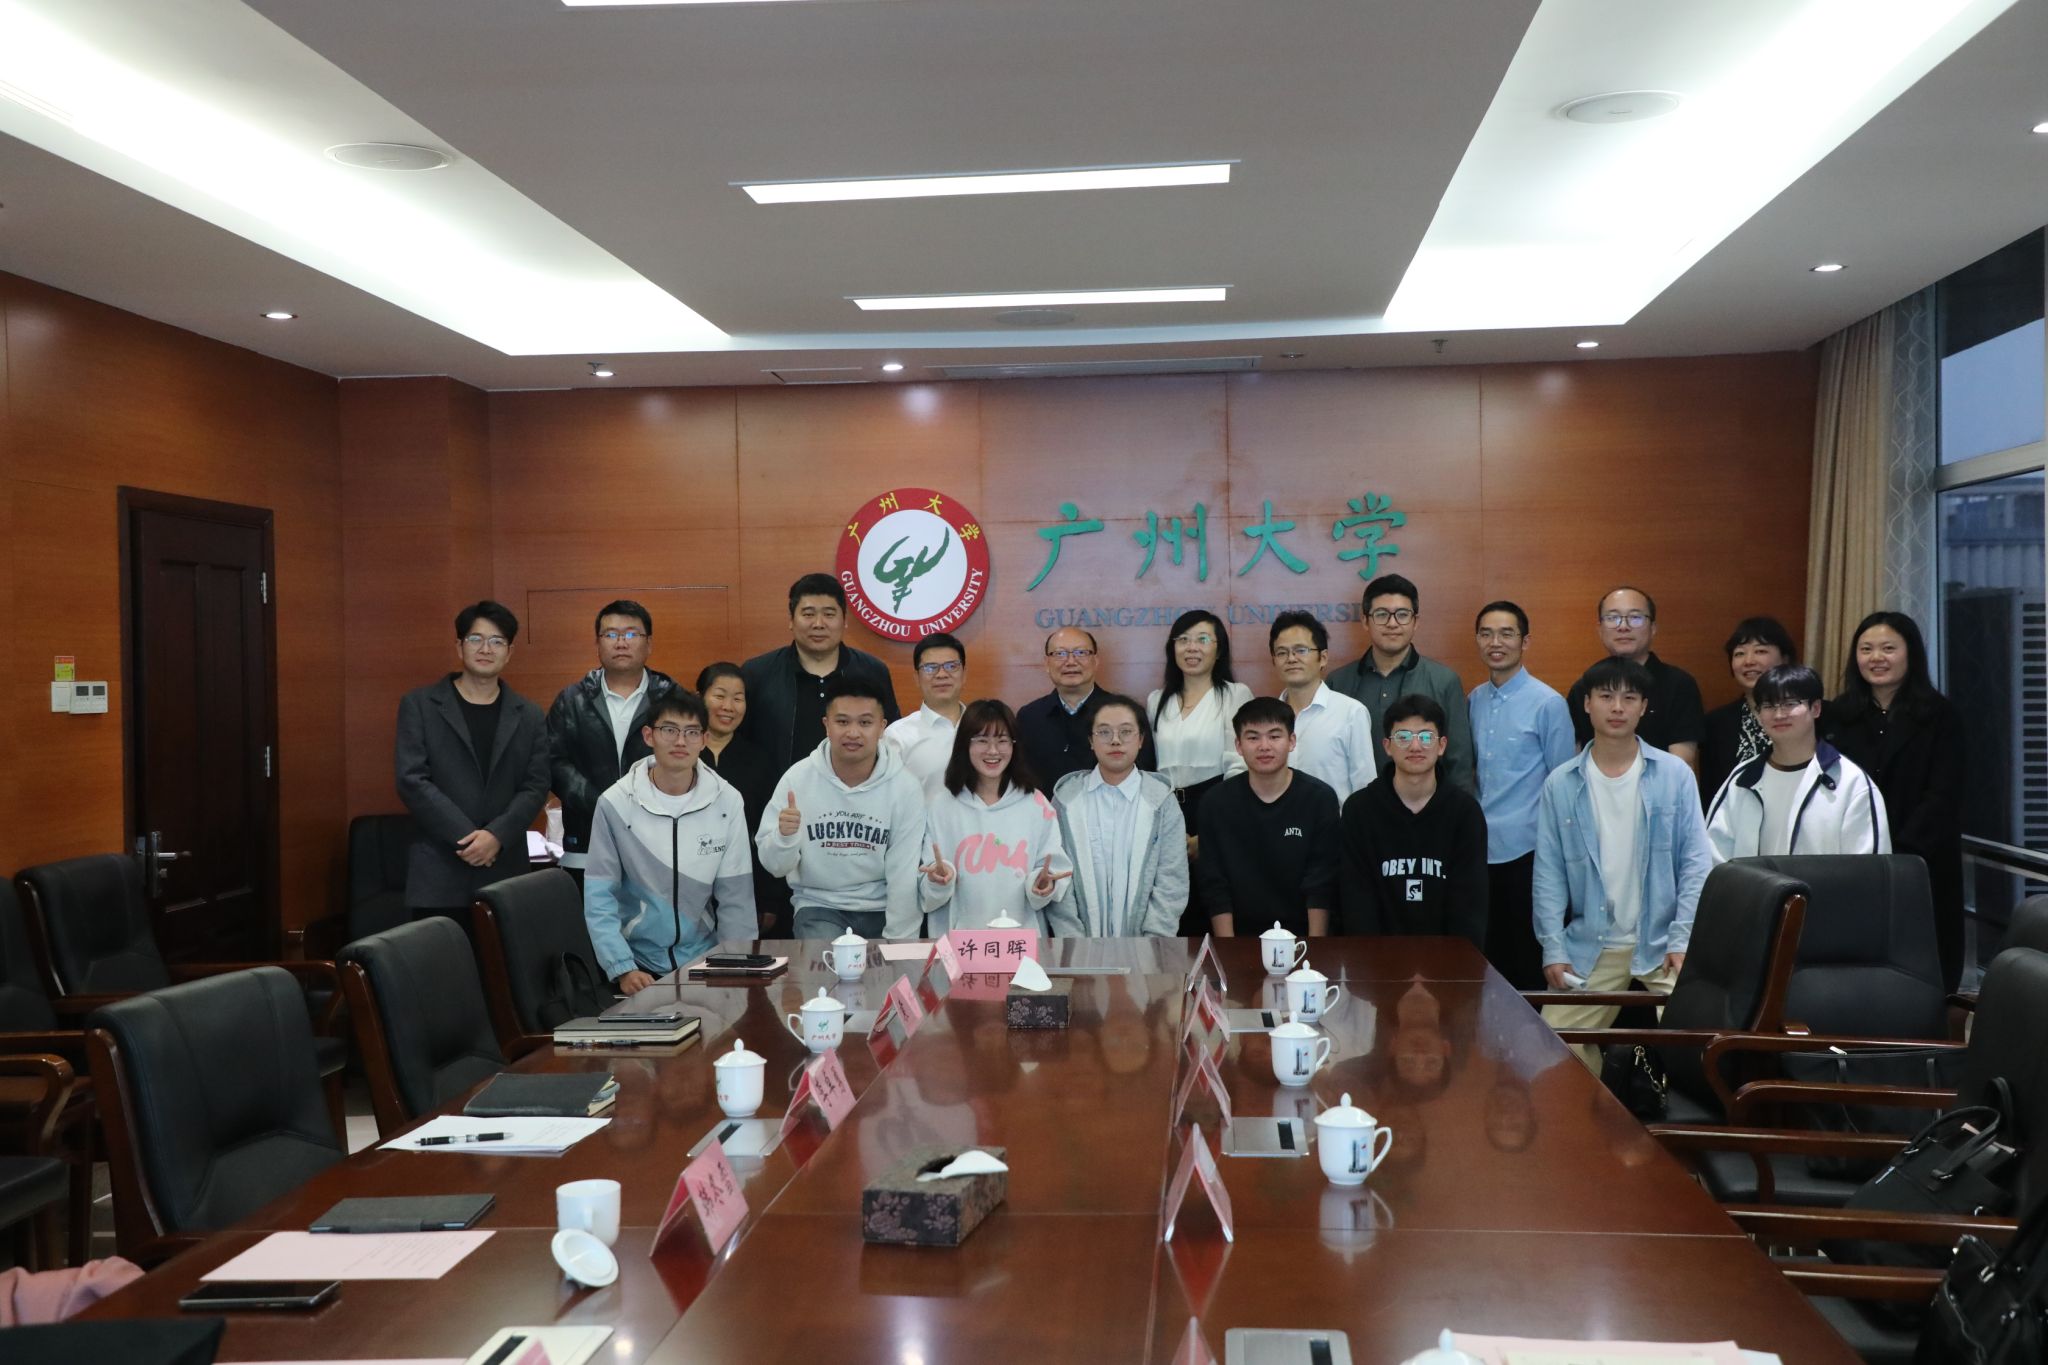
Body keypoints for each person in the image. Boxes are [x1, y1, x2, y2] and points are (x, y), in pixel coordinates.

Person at [1535, 658, 1714, 1072]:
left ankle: (1671, 1111)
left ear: (1643, 706)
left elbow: (1696, 862)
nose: (1617, 707)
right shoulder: (1561, 783)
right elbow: (1548, 873)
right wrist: (1553, 947)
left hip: (1664, 941)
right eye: (1606, 696)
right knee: (1552, 1052)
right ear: (1587, 704)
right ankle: (1596, 1112)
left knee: (1706, 1049)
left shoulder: (1674, 774)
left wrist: (1682, 938)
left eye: (1629, 698)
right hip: (1593, 942)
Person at [1823, 611, 1968, 989]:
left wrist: (1900, 850)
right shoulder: (1838, 715)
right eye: (1866, 649)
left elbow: (1943, 795)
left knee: (1925, 961)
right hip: (1854, 860)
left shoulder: (1941, 715)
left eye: (1888, 648)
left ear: (1911, 654)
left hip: (1922, 860)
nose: (1876, 658)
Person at [583, 691, 758, 995]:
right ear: (648, 736)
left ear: (704, 740)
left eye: (691, 732)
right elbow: (600, 896)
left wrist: (735, 966)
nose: (680, 741)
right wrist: (622, 967)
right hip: (638, 964)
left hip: (704, 961)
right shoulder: (615, 803)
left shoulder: (727, 801)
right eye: (669, 730)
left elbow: (736, 898)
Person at [393, 600, 551, 933]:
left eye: (496, 641)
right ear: (459, 646)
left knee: (505, 964)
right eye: (475, 639)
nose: (485, 649)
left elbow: (536, 785)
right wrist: (466, 839)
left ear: (509, 652)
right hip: (440, 872)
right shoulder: (420, 705)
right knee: (439, 964)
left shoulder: (530, 715)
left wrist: (496, 836)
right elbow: (412, 780)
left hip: (505, 870)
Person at [756, 676, 927, 941]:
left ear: (882, 727)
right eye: (843, 722)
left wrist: (899, 944)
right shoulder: (797, 779)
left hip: (881, 908)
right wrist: (785, 838)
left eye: (865, 723)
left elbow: (903, 875)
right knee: (826, 964)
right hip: (818, 906)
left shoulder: (905, 788)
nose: (853, 733)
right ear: (826, 725)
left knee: (883, 967)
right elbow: (776, 866)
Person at [1468, 600, 1576, 988]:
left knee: (1525, 961)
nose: (1495, 643)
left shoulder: (1549, 703)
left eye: (1506, 634)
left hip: (1528, 851)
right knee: (1487, 958)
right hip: (1480, 849)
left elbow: (1564, 785)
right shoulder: (1473, 699)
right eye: (1486, 634)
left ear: (1525, 641)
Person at [545, 600, 678, 885]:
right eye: (611, 634)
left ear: (649, 643)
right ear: (598, 643)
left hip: (658, 847)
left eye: (631, 634)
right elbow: (554, 764)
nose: (621, 642)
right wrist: (605, 805)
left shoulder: (673, 699)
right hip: (587, 847)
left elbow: (684, 762)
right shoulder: (571, 701)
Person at [1338, 695, 1489, 945]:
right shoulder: (1359, 811)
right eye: (1403, 737)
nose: (1415, 746)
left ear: (1442, 746)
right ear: (1387, 746)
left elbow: (1470, 907)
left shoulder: (1465, 813)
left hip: (1448, 961)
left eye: (1426, 737)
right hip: (1376, 960)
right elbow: (1357, 903)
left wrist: (1453, 965)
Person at [919, 699, 1073, 936]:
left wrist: (1043, 885)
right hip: (960, 942)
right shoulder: (942, 805)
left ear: (1014, 745)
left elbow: (1051, 870)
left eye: (1002, 740)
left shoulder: (1036, 804)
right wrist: (938, 880)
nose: (992, 751)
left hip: (1020, 941)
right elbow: (927, 887)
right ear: (964, 744)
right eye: (982, 740)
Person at [1705, 665, 1889, 860]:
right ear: (1758, 714)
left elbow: (1869, 868)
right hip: (1749, 882)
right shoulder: (1742, 779)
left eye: (1790, 703)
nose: (1779, 714)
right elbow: (1714, 856)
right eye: (1768, 706)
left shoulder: (1851, 782)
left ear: (1816, 708)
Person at [1193, 696, 1340, 938]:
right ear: (1238, 745)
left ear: (1291, 741)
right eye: (1253, 738)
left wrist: (1315, 948)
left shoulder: (1319, 799)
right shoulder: (1215, 803)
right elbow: (1214, 884)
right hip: (1238, 936)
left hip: (1302, 936)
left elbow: (1321, 883)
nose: (1264, 746)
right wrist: (1229, 949)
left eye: (1274, 736)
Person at [1147, 609, 1253, 935]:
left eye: (1202, 639)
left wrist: (1207, 835)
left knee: (1214, 902)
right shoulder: (1156, 700)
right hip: (1166, 808)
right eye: (1183, 640)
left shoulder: (1234, 695)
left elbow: (1239, 767)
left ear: (1218, 650)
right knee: (1170, 906)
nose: (1192, 647)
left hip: (1215, 803)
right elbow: (1150, 764)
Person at [1050, 694, 1187, 937]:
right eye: (1104, 732)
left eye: (1126, 732)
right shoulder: (1066, 800)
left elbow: (1172, 881)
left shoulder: (1161, 800)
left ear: (1141, 740)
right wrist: (1074, 944)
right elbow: (1058, 878)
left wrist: (1151, 944)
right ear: (1091, 741)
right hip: (1079, 947)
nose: (1115, 740)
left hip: (1147, 948)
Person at [740, 573, 900, 775]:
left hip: (856, 792)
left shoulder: (872, 671)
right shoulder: (757, 674)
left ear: (844, 620)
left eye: (829, 614)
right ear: (791, 620)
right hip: (779, 792)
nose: (818, 623)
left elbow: (890, 739)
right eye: (808, 614)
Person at [1328, 574, 1475, 791]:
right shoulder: (1338, 682)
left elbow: (1459, 761)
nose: (1392, 623)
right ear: (1365, 621)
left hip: (1428, 805)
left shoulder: (1444, 681)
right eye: (1381, 614)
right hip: (1358, 805)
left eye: (1402, 615)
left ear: (1416, 622)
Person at [1564, 586, 1705, 768]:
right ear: (1600, 629)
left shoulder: (1679, 685)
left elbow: (1681, 765)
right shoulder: (1584, 687)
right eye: (1612, 618)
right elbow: (1575, 759)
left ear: (1653, 628)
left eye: (1635, 618)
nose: (1623, 627)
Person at [695, 662, 786, 936]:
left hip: (743, 883)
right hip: (688, 884)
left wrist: (768, 899)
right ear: (700, 697)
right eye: (719, 696)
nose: (728, 707)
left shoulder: (760, 760)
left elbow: (767, 833)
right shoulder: (683, 754)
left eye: (738, 698)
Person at [1017, 627, 1155, 783]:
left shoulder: (1126, 714)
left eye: (1081, 653)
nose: (1070, 662)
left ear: (1095, 661)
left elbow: (1146, 774)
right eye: (1060, 654)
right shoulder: (1029, 717)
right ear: (1047, 663)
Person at [1269, 610, 1376, 799]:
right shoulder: (1267, 718)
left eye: (1301, 650)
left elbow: (1364, 786)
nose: (1291, 659)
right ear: (1274, 661)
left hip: (1335, 818)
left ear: (1323, 657)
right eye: (1282, 652)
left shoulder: (1351, 712)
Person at [1699, 617, 1798, 806]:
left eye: (1760, 651)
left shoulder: (1813, 714)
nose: (1748, 661)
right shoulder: (1715, 723)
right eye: (1739, 653)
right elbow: (1711, 793)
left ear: (1785, 659)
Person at [884, 632, 968, 800]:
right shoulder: (897, 736)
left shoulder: (984, 728)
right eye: (930, 668)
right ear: (917, 678)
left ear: (964, 674)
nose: (941, 674)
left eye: (951, 666)